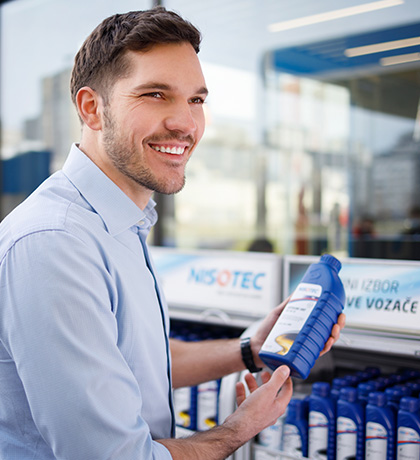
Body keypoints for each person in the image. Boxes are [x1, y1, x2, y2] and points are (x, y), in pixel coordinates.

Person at [0, 7, 345, 460]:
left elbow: (132, 360)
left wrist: (249, 348)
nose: (186, 123)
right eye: (156, 94)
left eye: (196, 100)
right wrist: (240, 428)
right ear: (92, 108)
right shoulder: (54, 243)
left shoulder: (121, 222)